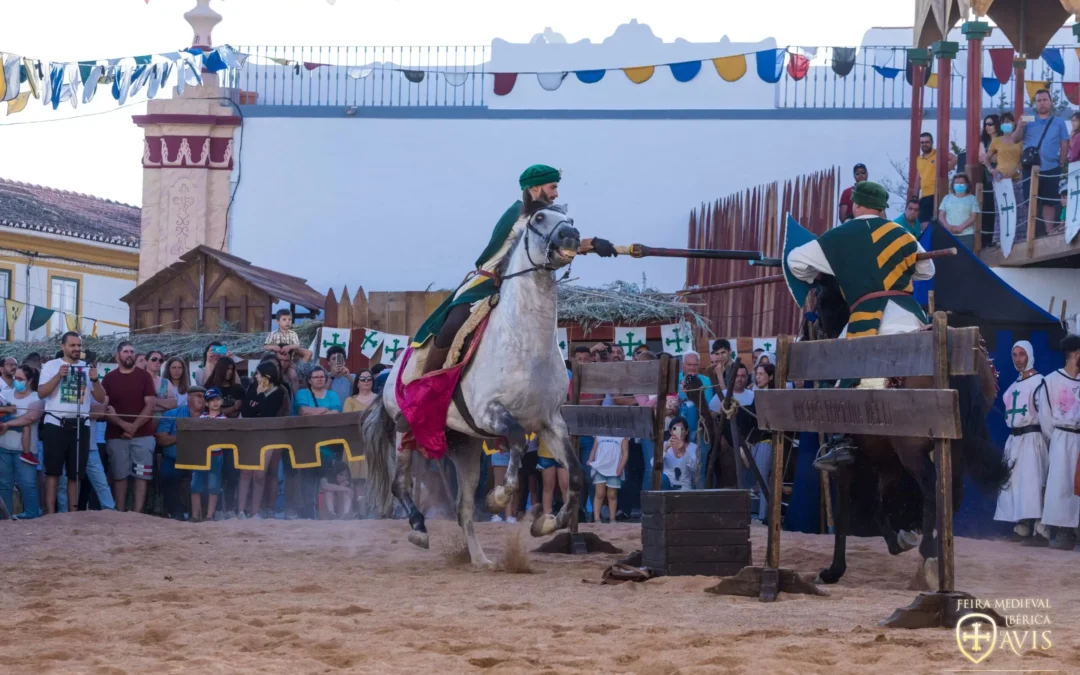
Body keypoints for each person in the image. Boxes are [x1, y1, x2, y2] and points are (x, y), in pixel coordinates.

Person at [784, 181, 935, 470]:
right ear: (882, 208)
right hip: (910, 316)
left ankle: (841, 441)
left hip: (869, 320)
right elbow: (927, 270)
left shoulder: (838, 235)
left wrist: (831, 269)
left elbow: (795, 262)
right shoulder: (901, 232)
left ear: (854, 205)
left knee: (834, 369)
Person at [413, 165, 617, 377]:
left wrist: (592, 243)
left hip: (519, 286)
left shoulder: (547, 217)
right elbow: (552, 242)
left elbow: (558, 242)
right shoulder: (520, 214)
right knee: (452, 324)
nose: (556, 194)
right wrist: (589, 244)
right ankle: (426, 380)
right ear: (535, 188)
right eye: (553, 187)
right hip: (486, 284)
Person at [37, 332, 105, 514]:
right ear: (63, 346)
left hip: (80, 425)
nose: (76, 349)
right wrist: (58, 376)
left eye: (79, 346)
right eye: (72, 345)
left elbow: (101, 397)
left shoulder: (86, 367)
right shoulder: (51, 366)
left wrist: (95, 379)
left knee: (76, 474)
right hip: (55, 425)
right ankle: (51, 514)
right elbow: (41, 393)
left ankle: (72, 514)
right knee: (53, 472)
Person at [993, 341, 1049, 545]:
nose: (1018, 359)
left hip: (1033, 438)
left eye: (1022, 354)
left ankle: (1041, 530)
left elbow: (1046, 416)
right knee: (1016, 483)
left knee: (1034, 482)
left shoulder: (1040, 382)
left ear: (1029, 356)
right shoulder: (1012, 387)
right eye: (1015, 355)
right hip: (1015, 440)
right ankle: (1023, 526)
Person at [1035, 334, 1080, 550]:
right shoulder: (1051, 380)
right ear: (1076, 355)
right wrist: (1058, 441)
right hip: (1062, 437)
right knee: (1062, 483)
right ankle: (1063, 532)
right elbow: (1045, 417)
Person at [102, 341, 158, 514]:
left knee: (141, 475)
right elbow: (105, 408)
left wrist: (133, 426)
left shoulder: (144, 377)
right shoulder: (109, 378)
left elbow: (150, 404)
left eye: (132, 351)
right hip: (116, 436)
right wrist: (124, 425)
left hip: (143, 435)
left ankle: (137, 513)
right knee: (120, 475)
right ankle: (119, 512)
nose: (129, 354)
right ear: (118, 355)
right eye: (125, 351)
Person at [1013, 89, 1069, 234]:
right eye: (1039, 100)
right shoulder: (1028, 119)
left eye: (1045, 100)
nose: (1042, 103)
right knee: (1029, 200)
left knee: (1049, 202)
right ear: (1035, 103)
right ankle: (1029, 233)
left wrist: (1062, 160)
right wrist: (1019, 126)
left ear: (1050, 102)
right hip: (1030, 168)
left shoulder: (1059, 122)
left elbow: (1064, 142)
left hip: (1051, 167)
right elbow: (1015, 139)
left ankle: (1049, 231)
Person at [238, 361, 287, 519]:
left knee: (260, 474)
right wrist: (257, 395)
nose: (255, 376)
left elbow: (267, 414)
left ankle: (255, 511)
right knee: (246, 472)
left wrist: (260, 396)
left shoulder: (279, 392)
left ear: (267, 376)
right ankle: (240, 510)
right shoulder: (253, 387)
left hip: (267, 436)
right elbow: (246, 412)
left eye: (258, 374)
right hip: (249, 435)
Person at [156, 386, 206, 521]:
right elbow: (161, 439)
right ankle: (176, 513)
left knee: (211, 473)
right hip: (175, 459)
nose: (202, 399)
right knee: (167, 474)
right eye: (198, 396)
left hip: (202, 460)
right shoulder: (172, 414)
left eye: (204, 396)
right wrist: (183, 436)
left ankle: (203, 514)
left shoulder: (209, 416)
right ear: (188, 398)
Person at [0, 364, 44, 519]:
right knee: (4, 485)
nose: (16, 381)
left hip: (26, 451)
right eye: (15, 378)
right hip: (3, 447)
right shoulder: (5, 394)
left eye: (20, 379)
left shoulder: (37, 398)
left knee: (28, 484)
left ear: (30, 380)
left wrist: (7, 423)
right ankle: (5, 517)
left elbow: (30, 418)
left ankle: (32, 514)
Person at [985, 112, 1027, 244]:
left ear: (1014, 123)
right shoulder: (996, 141)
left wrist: (1016, 170)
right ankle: (999, 238)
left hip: (1017, 178)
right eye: (1003, 122)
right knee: (1002, 210)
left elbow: (1023, 159)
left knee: (1020, 208)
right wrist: (991, 169)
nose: (1006, 124)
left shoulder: (1020, 140)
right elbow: (986, 158)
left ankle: (1020, 238)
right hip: (1000, 180)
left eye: (1008, 122)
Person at [190, 388, 226, 522]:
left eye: (217, 399)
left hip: (216, 455)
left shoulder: (224, 419)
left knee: (213, 486)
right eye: (211, 400)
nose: (215, 402)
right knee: (195, 485)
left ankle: (209, 516)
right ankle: (195, 516)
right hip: (201, 455)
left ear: (221, 401)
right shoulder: (202, 417)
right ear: (206, 403)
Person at [915, 132, 958, 225]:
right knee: (923, 223)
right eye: (922, 142)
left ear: (932, 142)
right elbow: (918, 177)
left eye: (927, 142)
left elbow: (954, 158)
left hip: (936, 193)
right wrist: (915, 196)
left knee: (936, 222)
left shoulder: (938, 154)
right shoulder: (919, 158)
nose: (924, 144)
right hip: (924, 195)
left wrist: (944, 170)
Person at [585, 435, 628, 522]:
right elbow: (594, 449)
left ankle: (612, 518)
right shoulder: (599, 435)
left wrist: (620, 467)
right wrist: (590, 460)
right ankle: (597, 518)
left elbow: (625, 453)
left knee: (612, 495)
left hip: (614, 469)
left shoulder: (622, 436)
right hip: (599, 468)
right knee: (599, 494)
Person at [937, 173, 979, 249]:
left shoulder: (972, 199)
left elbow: (973, 217)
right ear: (953, 184)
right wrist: (947, 226)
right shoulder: (947, 198)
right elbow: (941, 215)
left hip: (966, 235)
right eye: (956, 183)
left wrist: (961, 227)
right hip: (948, 235)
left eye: (961, 183)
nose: (959, 185)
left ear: (967, 185)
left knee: (965, 259)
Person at [662, 417, 698, 490]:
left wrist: (683, 451)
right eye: (675, 429)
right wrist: (665, 449)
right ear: (670, 431)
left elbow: (695, 469)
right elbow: (653, 465)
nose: (679, 432)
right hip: (667, 486)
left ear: (686, 431)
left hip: (684, 487)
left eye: (682, 429)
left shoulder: (694, 447)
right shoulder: (665, 445)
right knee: (662, 479)